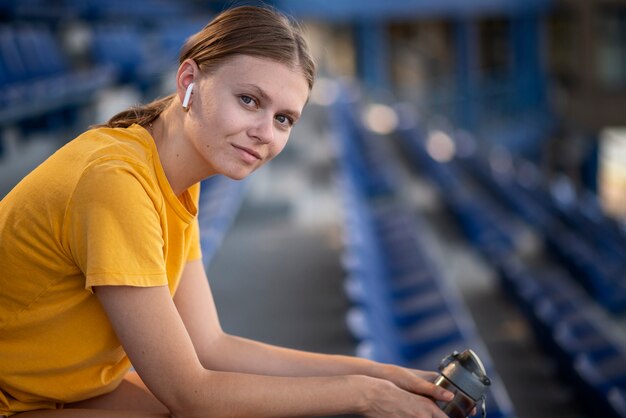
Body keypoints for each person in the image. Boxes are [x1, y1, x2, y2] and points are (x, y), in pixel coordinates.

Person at [0, 5, 455, 418]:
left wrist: (378, 375)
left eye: (283, 119)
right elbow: (190, 392)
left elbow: (211, 346)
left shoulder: (174, 175)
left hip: (55, 391)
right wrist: (362, 395)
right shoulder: (117, 184)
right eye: (249, 100)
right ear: (188, 82)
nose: (264, 133)